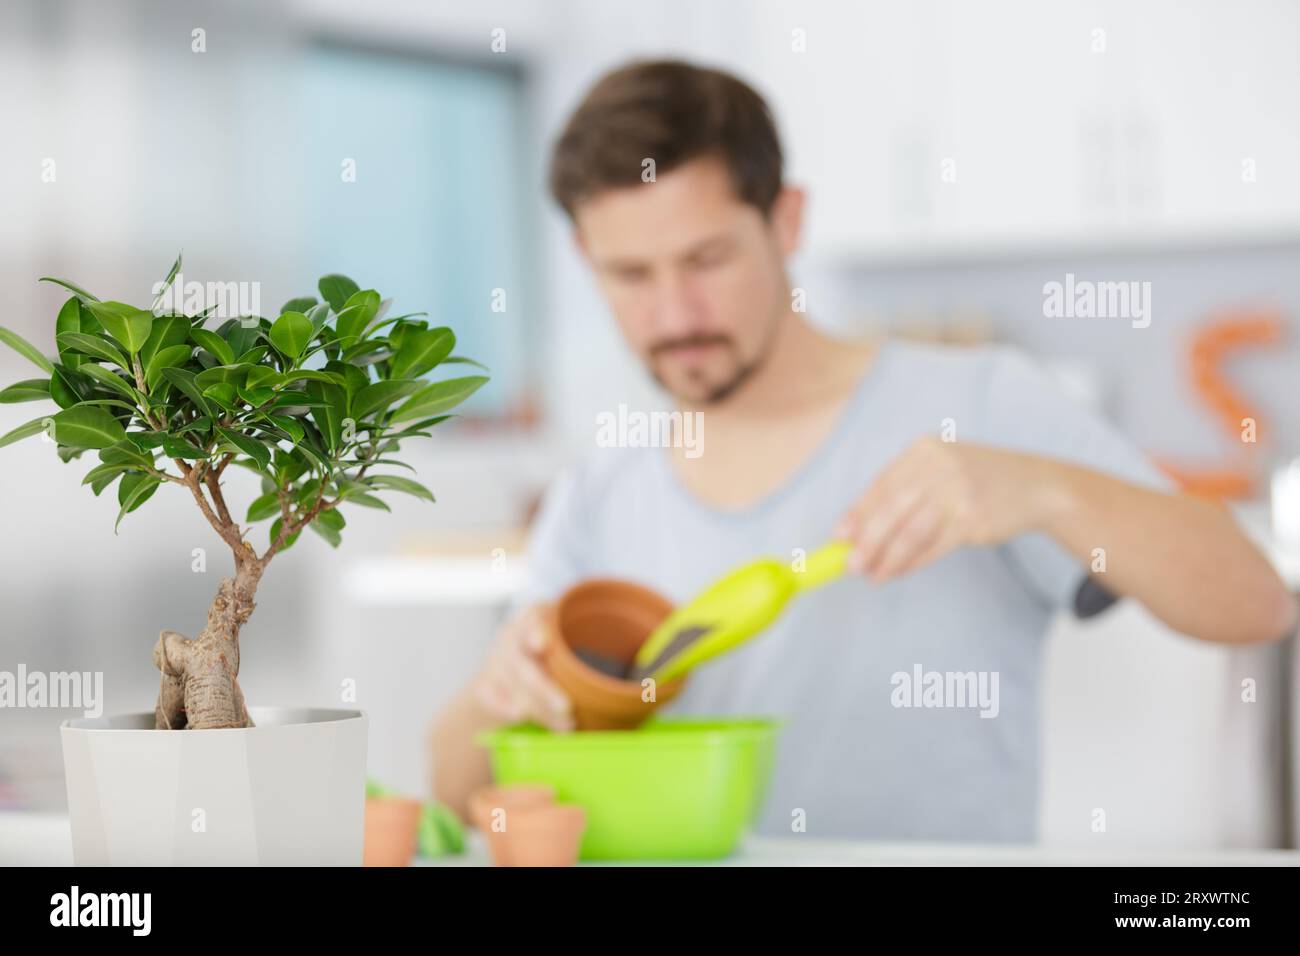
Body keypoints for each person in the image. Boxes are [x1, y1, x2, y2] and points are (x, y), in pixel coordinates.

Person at [431, 60, 1296, 842]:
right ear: (586, 258)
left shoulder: (977, 406)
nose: (674, 314)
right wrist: (501, 693)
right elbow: (454, 790)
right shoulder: (602, 490)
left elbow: (1259, 604)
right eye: (631, 275)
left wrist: (1046, 492)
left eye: (706, 258)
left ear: (787, 220)